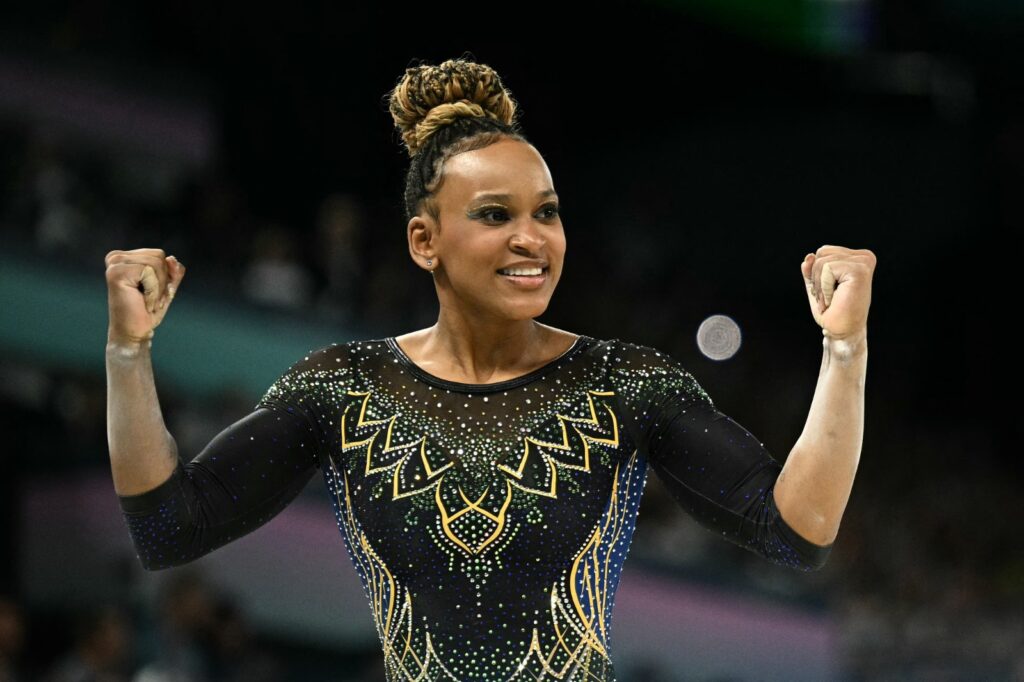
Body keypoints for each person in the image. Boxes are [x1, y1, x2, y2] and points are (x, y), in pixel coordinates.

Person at [105, 56, 873, 681]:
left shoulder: (625, 384)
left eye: (547, 211)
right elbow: (172, 525)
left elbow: (797, 530)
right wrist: (128, 353)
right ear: (423, 241)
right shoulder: (346, 387)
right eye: (495, 215)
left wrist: (844, 350)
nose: (532, 238)